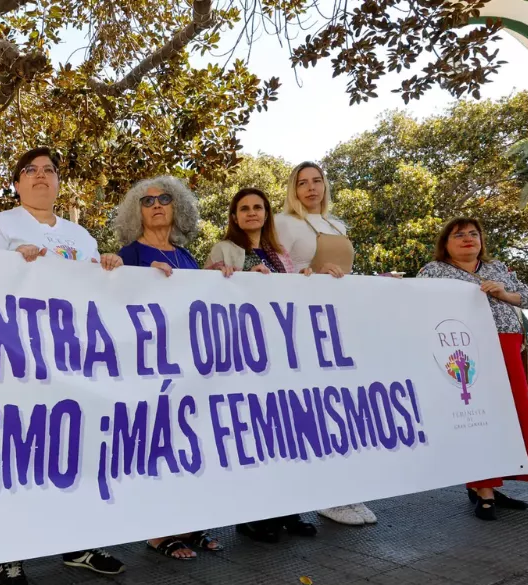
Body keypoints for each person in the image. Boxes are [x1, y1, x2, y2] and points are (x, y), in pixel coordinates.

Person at [0, 147, 125, 585]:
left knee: (74, 452)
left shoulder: (79, 234)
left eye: (49, 170)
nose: (41, 176)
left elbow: (96, 291)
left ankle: (78, 545)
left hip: (72, 363)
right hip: (17, 363)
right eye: (30, 170)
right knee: (18, 455)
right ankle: (12, 555)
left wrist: (110, 267)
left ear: (58, 182)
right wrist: (9, 264)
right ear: (17, 183)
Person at [112, 176, 224, 560]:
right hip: (149, 369)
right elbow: (113, 300)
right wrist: (129, 275)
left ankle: (189, 526)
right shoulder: (130, 253)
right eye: (147, 201)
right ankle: (158, 533)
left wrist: (231, 278)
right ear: (137, 212)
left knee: (188, 444)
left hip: (187, 370)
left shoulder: (186, 256)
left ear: (177, 207)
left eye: (164, 198)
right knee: (156, 448)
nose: (156, 205)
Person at [206, 188, 319, 543]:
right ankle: (251, 516)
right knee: (252, 435)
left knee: (283, 433)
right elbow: (207, 293)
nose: (252, 213)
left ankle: (287, 510)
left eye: (258, 207)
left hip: (279, 353)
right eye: (244, 208)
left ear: (267, 214)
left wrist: (309, 279)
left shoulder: (279, 253)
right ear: (234, 217)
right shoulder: (225, 249)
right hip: (244, 354)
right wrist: (238, 276)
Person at [418, 217, 528, 521]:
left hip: (506, 346)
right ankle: (484, 489)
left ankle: (489, 483)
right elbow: (418, 306)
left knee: (509, 415)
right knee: (476, 416)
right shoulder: (433, 271)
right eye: (458, 235)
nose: (468, 239)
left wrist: (504, 294)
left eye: (473, 234)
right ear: (445, 243)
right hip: (464, 351)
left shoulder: (496, 268)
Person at [272, 161, 376, 528]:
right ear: (293, 189)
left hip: (338, 321)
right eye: (302, 183)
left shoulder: (337, 225)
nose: (311, 188)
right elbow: (277, 272)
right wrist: (312, 276)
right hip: (304, 322)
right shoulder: (283, 223)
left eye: (317, 181)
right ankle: (325, 494)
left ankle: (343, 489)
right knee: (314, 407)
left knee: (340, 406)